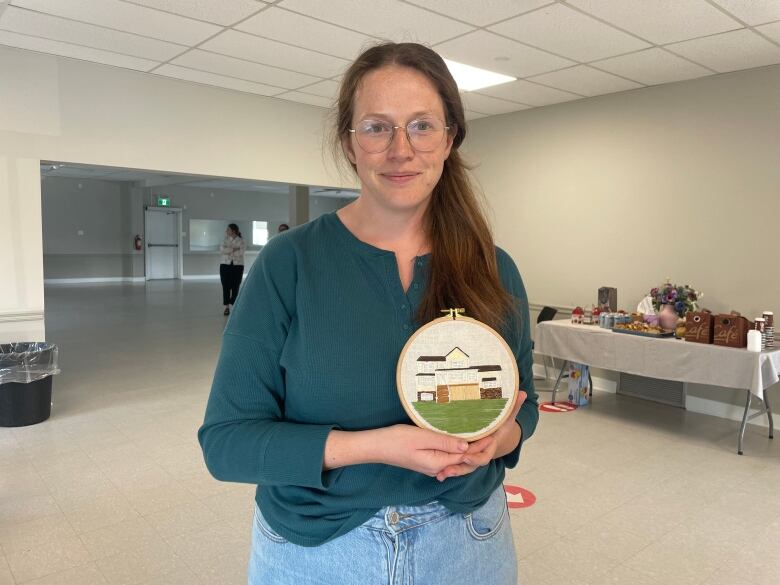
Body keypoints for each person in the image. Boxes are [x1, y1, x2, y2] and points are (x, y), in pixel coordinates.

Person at [199, 42, 538, 585]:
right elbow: (226, 445)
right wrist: (370, 447)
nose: (400, 149)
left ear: (450, 139)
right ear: (349, 143)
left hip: (468, 542)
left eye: (422, 125)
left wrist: (504, 438)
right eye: (377, 127)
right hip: (317, 549)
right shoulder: (289, 264)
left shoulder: (493, 269)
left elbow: (525, 405)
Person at [218, 223, 245, 315]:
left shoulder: (241, 241)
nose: (226, 231)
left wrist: (229, 250)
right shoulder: (224, 241)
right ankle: (226, 307)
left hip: (238, 266)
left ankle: (234, 305)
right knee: (225, 286)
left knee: (235, 286)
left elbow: (240, 253)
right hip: (225, 265)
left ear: (233, 231)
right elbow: (222, 250)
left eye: (228, 229)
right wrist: (234, 249)